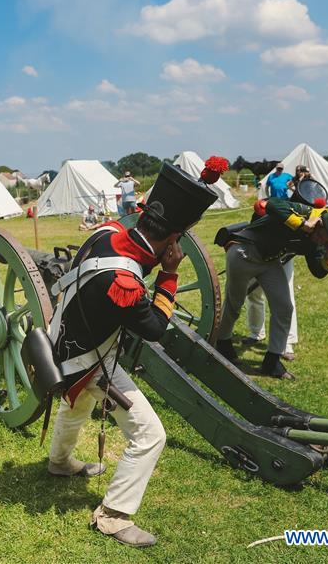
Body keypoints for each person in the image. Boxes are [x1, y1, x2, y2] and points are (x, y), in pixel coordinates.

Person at [48, 159, 226, 548]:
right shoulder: (124, 282)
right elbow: (154, 329)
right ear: (175, 237)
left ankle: (59, 463)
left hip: (63, 340)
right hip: (89, 360)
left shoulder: (107, 232)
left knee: (76, 406)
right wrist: (169, 274)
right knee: (150, 435)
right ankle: (113, 516)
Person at [214, 199, 328, 379]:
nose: (320, 241)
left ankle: (272, 361)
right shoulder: (306, 213)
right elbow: (272, 205)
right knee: (234, 304)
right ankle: (222, 343)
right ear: (320, 223)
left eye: (326, 240)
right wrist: (303, 224)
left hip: (269, 261)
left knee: (284, 307)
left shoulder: (319, 238)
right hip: (244, 251)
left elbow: (317, 271)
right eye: (322, 236)